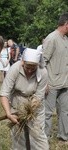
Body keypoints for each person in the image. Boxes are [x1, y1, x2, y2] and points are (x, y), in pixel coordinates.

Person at [0, 48, 49, 150]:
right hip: (17, 103)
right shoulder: (15, 68)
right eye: (27, 67)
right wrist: (9, 113)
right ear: (23, 62)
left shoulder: (43, 72)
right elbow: (4, 93)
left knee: (38, 133)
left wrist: (29, 111)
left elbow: (39, 96)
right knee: (19, 135)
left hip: (35, 105)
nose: (30, 70)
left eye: (33, 68)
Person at [43, 12, 68, 141]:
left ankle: (64, 136)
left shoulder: (66, 39)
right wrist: (44, 83)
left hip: (65, 84)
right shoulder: (51, 38)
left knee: (65, 111)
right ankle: (44, 138)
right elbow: (43, 62)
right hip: (51, 83)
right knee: (47, 113)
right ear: (66, 24)